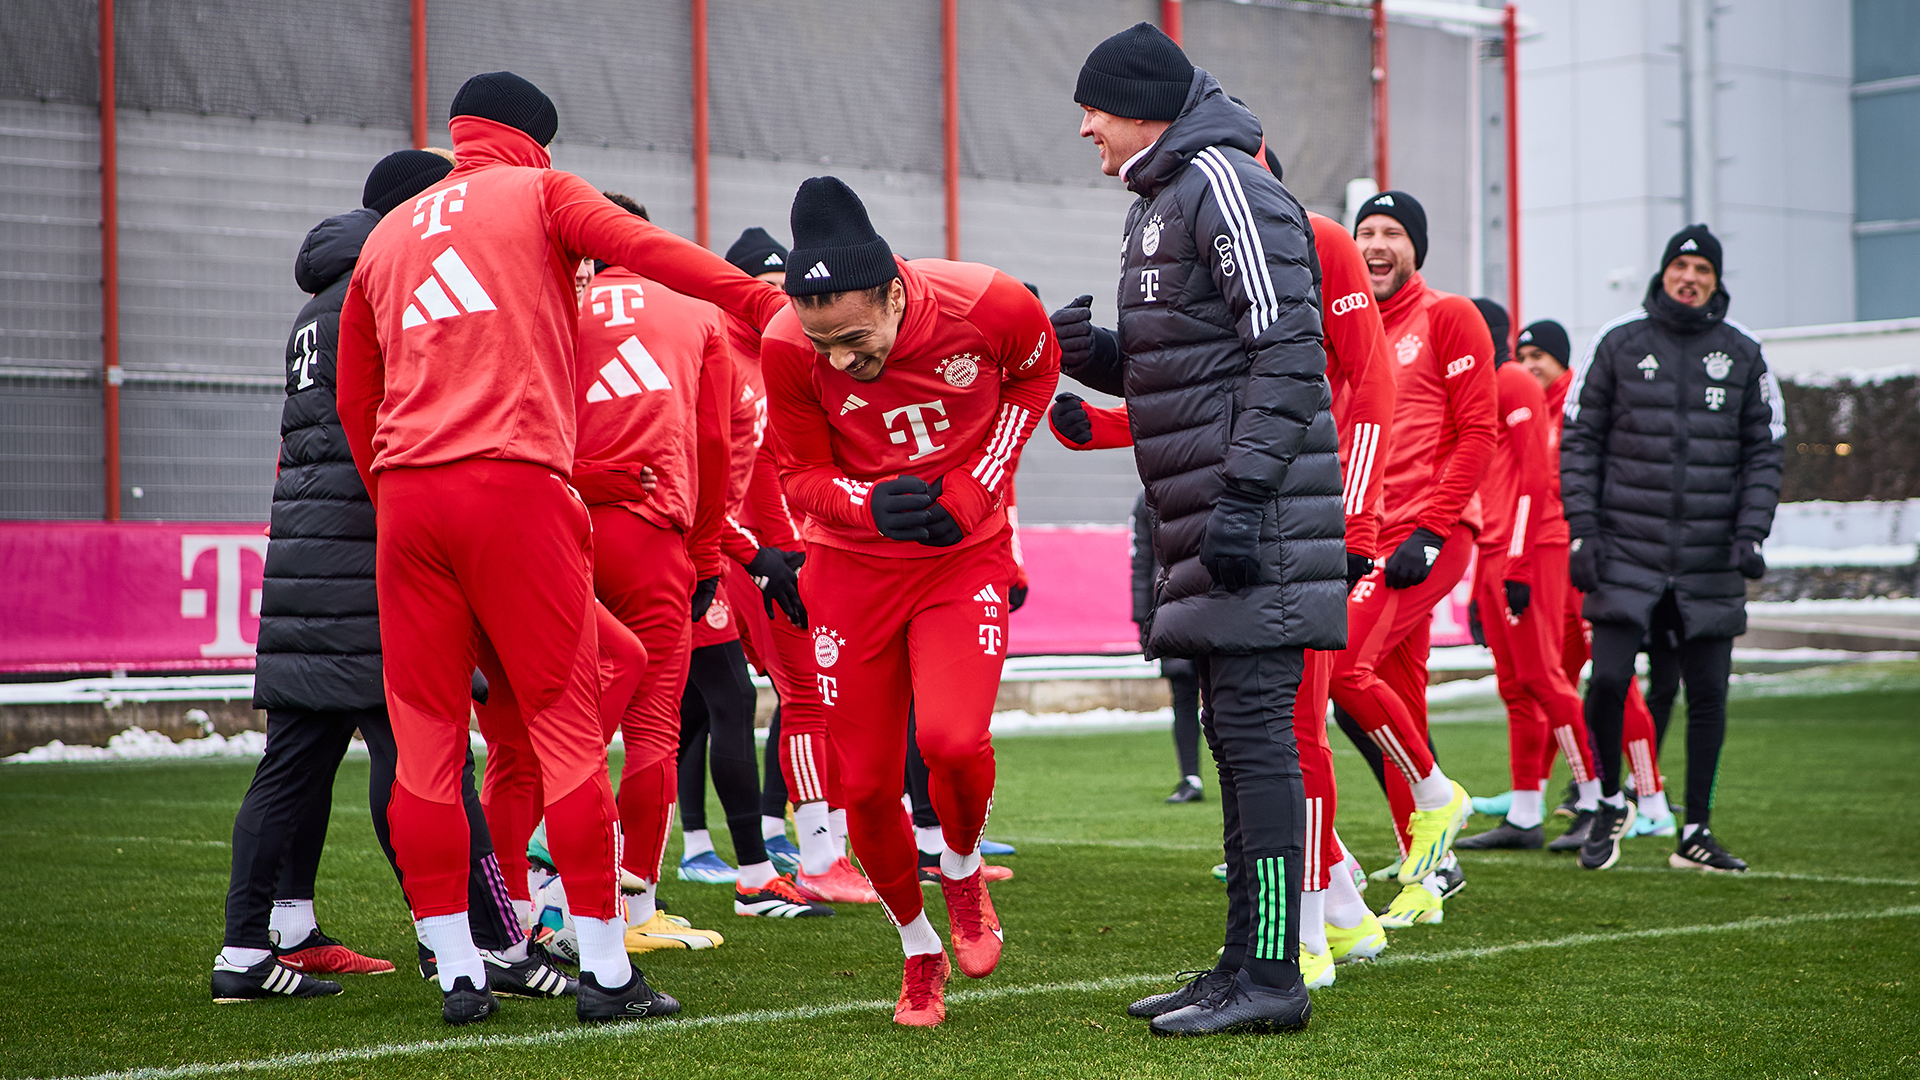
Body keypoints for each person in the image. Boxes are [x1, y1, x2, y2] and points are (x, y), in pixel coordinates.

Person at [336, 71, 787, 1025]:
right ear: (537, 138)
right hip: (517, 488)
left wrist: (403, 495)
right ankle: (607, 969)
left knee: (425, 745)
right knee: (569, 726)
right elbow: (652, 251)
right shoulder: (542, 191)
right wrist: (760, 305)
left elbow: (356, 401)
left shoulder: (386, 235)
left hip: (410, 503)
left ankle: (461, 967)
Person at [213, 149, 575, 1006]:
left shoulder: (315, 303)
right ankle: (484, 940)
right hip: (373, 550)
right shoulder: (391, 284)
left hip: (303, 554)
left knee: (291, 764)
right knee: (423, 762)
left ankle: (244, 951)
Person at [1053, 24, 1344, 1036]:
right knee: (1235, 740)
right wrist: (1091, 351)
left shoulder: (1223, 181)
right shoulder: (1161, 200)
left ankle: (1273, 978)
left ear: (1143, 103)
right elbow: (1185, 364)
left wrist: (1241, 500)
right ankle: (1240, 965)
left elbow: (1289, 355)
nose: (1084, 126)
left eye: (1094, 106)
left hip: (1248, 526)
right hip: (1214, 521)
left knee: (1259, 744)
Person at [760, 176, 1058, 1026]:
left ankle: (962, 873)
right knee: (862, 786)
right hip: (850, 571)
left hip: (961, 559)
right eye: (825, 346)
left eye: (854, 337)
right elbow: (799, 477)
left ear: (895, 292)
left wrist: (976, 489)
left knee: (953, 742)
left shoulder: (987, 303)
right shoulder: (788, 345)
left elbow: (1034, 383)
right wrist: (864, 503)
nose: (841, 361)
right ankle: (918, 947)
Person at [1560, 224, 1784, 872]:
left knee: (1708, 695)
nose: (1691, 278)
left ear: (1716, 282)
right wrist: (1584, 532)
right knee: (1605, 682)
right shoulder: (1617, 342)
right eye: (1681, 266)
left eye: (1703, 271)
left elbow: (1765, 450)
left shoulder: (1744, 353)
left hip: (1711, 557)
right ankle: (1605, 800)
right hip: (1625, 549)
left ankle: (1697, 832)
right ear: (1663, 274)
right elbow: (1578, 442)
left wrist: (1752, 532)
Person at [1321, 189, 1492, 930]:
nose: (1376, 244)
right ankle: (1429, 871)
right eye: (1366, 232)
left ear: (1415, 247)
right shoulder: (1342, 333)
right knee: (1399, 702)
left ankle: (1437, 793)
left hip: (1431, 536)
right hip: (1365, 540)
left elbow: (1478, 432)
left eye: (1392, 232)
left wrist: (1429, 528)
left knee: (1342, 665)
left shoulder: (1448, 316)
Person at [713, 226, 880, 905]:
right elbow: (729, 473)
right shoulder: (718, 354)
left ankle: (829, 847)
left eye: (789, 288)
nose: (783, 300)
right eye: (768, 287)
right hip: (752, 555)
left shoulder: (791, 355)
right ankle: (807, 855)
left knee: (829, 697)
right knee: (794, 698)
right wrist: (761, 556)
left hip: (799, 549)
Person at [1456, 303, 1603, 853]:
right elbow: (1490, 485)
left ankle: (1596, 800)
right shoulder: (1481, 385)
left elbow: (1536, 476)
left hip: (1533, 549)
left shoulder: (1511, 380)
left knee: (1544, 677)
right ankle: (1524, 815)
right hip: (1499, 550)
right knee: (1516, 687)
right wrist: (1479, 583)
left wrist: (1516, 562)